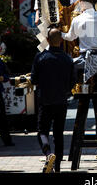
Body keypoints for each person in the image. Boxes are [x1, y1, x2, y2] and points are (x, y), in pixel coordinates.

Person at [61, 0, 97, 158]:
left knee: (70, 69)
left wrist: (59, 33)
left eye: (79, 2)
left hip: (89, 59)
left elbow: (70, 37)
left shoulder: (78, 19)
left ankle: (67, 90)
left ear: (82, 3)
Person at [30, 28, 75, 173]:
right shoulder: (68, 59)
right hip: (61, 100)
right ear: (61, 40)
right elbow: (73, 82)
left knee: (42, 131)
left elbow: (34, 79)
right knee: (58, 133)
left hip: (45, 100)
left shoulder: (40, 57)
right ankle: (57, 168)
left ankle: (49, 154)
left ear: (47, 40)